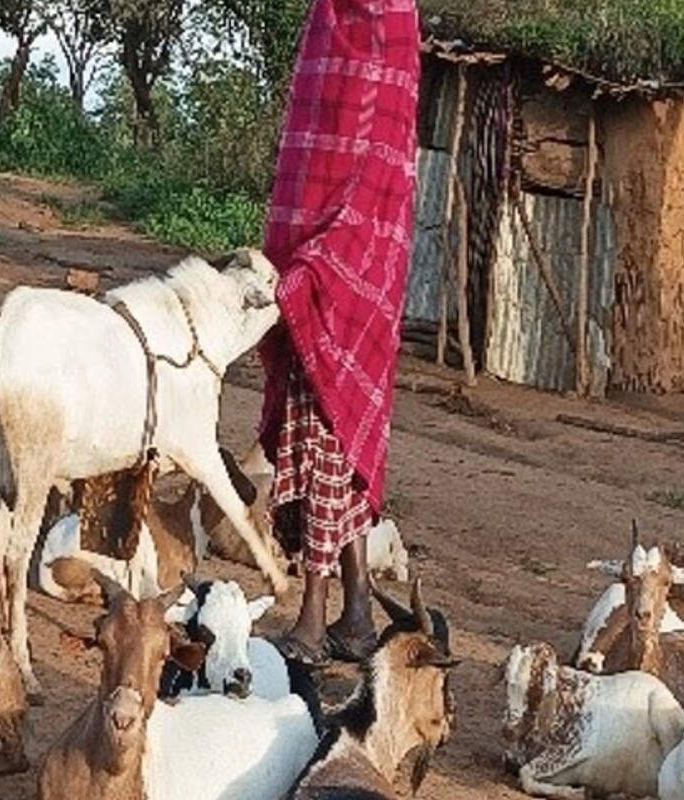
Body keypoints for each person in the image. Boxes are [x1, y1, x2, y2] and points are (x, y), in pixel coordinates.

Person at [258, 0, 421, 666]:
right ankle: (355, 612)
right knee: (337, 440)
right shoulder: (332, 19)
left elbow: (374, 176)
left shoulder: (388, 22)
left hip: (351, 270)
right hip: (322, 261)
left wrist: (317, 270)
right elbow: (312, 162)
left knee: (328, 439)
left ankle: (311, 616)